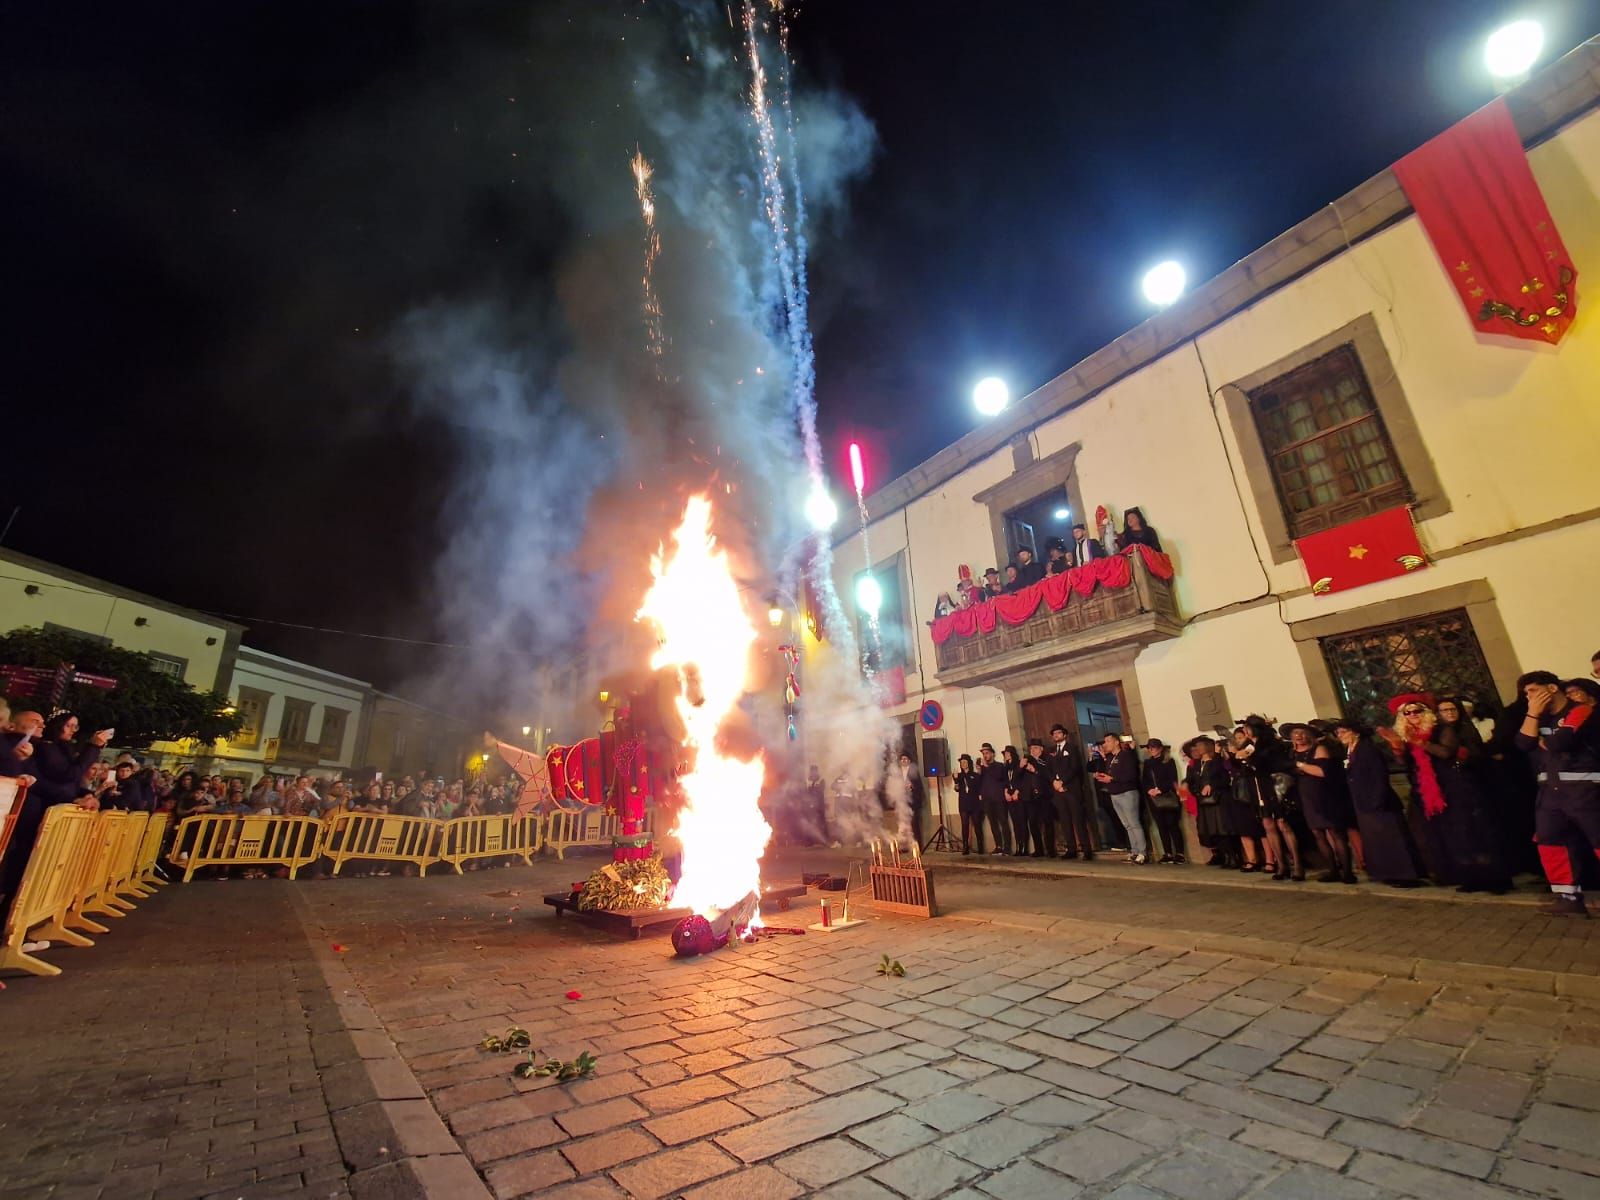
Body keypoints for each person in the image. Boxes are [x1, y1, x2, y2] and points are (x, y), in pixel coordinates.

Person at [1386, 693, 1510, 894]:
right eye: (1407, 713)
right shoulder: (1409, 736)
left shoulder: (1442, 729)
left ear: (1425, 712)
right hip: (1434, 790)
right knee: (1453, 835)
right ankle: (1471, 877)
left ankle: (1496, 878)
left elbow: (1446, 752)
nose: (1412, 715)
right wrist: (1398, 748)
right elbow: (1406, 764)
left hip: (1456, 785)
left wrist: (1419, 742)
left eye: (1416, 710)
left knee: (1473, 831)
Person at [1515, 670, 1600, 917]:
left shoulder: (1580, 710)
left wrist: (1540, 738)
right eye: (1525, 694)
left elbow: (1561, 742)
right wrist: (1532, 714)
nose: (1528, 697)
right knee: (1552, 843)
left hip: (1584, 791)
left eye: (1532, 691)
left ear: (1551, 688)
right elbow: (1522, 744)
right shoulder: (1538, 718)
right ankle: (1568, 897)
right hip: (1550, 795)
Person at [1332, 717, 1424, 887]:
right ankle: (1387, 872)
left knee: (1392, 838)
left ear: (1355, 732)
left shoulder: (1367, 749)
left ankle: (1404, 875)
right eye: (1338, 733)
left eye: (1343, 732)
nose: (1340, 736)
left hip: (1377, 800)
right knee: (1378, 841)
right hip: (1363, 800)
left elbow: (1379, 775)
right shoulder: (1351, 750)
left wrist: (1377, 799)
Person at [1286, 724, 1357, 884]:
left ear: (1309, 736)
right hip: (1305, 796)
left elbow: (1321, 771)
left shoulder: (1319, 749)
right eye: (1295, 733)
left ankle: (1347, 872)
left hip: (1323, 795)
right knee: (1318, 834)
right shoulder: (1292, 753)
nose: (1299, 736)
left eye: (1302, 733)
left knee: (1335, 833)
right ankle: (1332, 870)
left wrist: (1300, 765)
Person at [1237, 716, 1303, 881]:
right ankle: (1281, 865)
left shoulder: (1270, 744)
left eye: (1247, 727)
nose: (1245, 731)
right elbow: (1245, 769)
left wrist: (1249, 758)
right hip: (1258, 789)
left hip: (1273, 788)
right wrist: (1242, 757)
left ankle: (1297, 865)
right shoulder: (1248, 745)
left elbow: (1273, 764)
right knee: (1268, 826)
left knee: (1283, 825)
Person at [1092, 732, 1146, 863]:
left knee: (1134, 823)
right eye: (1105, 742)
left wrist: (1113, 779)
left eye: (1108, 741)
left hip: (1127, 793)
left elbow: (1131, 775)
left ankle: (1143, 853)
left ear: (1116, 742)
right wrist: (1101, 776)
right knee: (1127, 825)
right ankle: (1134, 851)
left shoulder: (1126, 755)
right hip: (1114, 794)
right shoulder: (1110, 758)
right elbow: (1110, 774)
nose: (1106, 744)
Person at [1047, 724, 1093, 860]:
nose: (1056, 735)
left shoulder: (1072, 749)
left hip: (1071, 789)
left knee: (1078, 820)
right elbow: (1048, 769)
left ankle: (1086, 849)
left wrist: (1062, 781)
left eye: (1059, 733)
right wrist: (1054, 782)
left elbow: (1075, 768)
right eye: (1054, 733)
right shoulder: (1051, 751)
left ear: (1064, 735)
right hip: (1058, 791)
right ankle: (1071, 849)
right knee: (1065, 820)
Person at [1141, 739, 1184, 863]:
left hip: (1168, 797)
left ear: (1160, 748)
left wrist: (1161, 789)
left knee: (1173, 825)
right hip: (1154, 799)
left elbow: (1173, 779)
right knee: (1161, 826)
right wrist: (1149, 790)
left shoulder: (1168, 761)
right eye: (1149, 748)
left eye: (1153, 747)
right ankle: (1167, 852)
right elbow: (1145, 780)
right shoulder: (1148, 763)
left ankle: (1180, 853)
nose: (1151, 750)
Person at [1023, 738, 1056, 857]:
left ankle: (1051, 850)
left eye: (1035, 748)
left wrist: (1035, 770)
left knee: (1047, 822)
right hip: (1030, 797)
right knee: (1033, 823)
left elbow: (1048, 776)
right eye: (1031, 748)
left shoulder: (1046, 760)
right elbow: (1018, 777)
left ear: (1041, 749)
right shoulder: (1026, 761)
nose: (1033, 750)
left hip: (1044, 796)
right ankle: (1039, 849)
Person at [977, 743, 1011, 855]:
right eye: (983, 754)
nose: (985, 755)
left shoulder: (999, 766)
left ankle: (1007, 848)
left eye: (987, 753)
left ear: (992, 754)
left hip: (999, 799)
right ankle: (998, 846)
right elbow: (979, 784)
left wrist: (986, 768)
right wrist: (979, 773)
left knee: (1003, 822)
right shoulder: (982, 769)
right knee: (993, 824)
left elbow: (999, 777)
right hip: (987, 800)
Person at [954, 753, 983, 854]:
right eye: (961, 762)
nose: (963, 764)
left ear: (968, 763)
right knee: (964, 824)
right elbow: (957, 789)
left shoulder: (974, 775)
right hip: (963, 803)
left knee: (977, 824)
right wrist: (956, 780)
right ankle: (965, 846)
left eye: (965, 762)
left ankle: (980, 846)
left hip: (974, 803)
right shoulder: (959, 775)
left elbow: (979, 788)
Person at [896, 751, 926, 848]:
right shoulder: (897, 772)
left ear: (909, 760)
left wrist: (912, 786)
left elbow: (920, 787)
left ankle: (918, 846)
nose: (903, 761)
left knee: (914, 825)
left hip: (913, 802)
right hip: (902, 801)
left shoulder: (914, 771)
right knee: (902, 824)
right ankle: (904, 846)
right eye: (902, 759)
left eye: (905, 759)